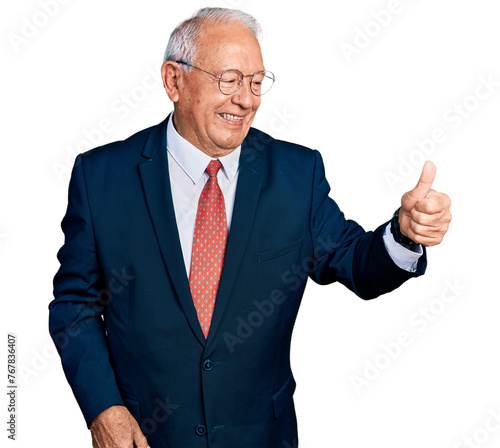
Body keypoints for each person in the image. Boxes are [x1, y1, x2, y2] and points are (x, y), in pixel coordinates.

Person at [49, 7, 451, 448]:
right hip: (147, 438)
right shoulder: (102, 177)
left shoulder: (297, 175)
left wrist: (405, 234)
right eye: (229, 79)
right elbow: (75, 305)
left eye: (257, 82)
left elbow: (357, 262)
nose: (246, 99)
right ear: (173, 81)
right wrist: (103, 408)